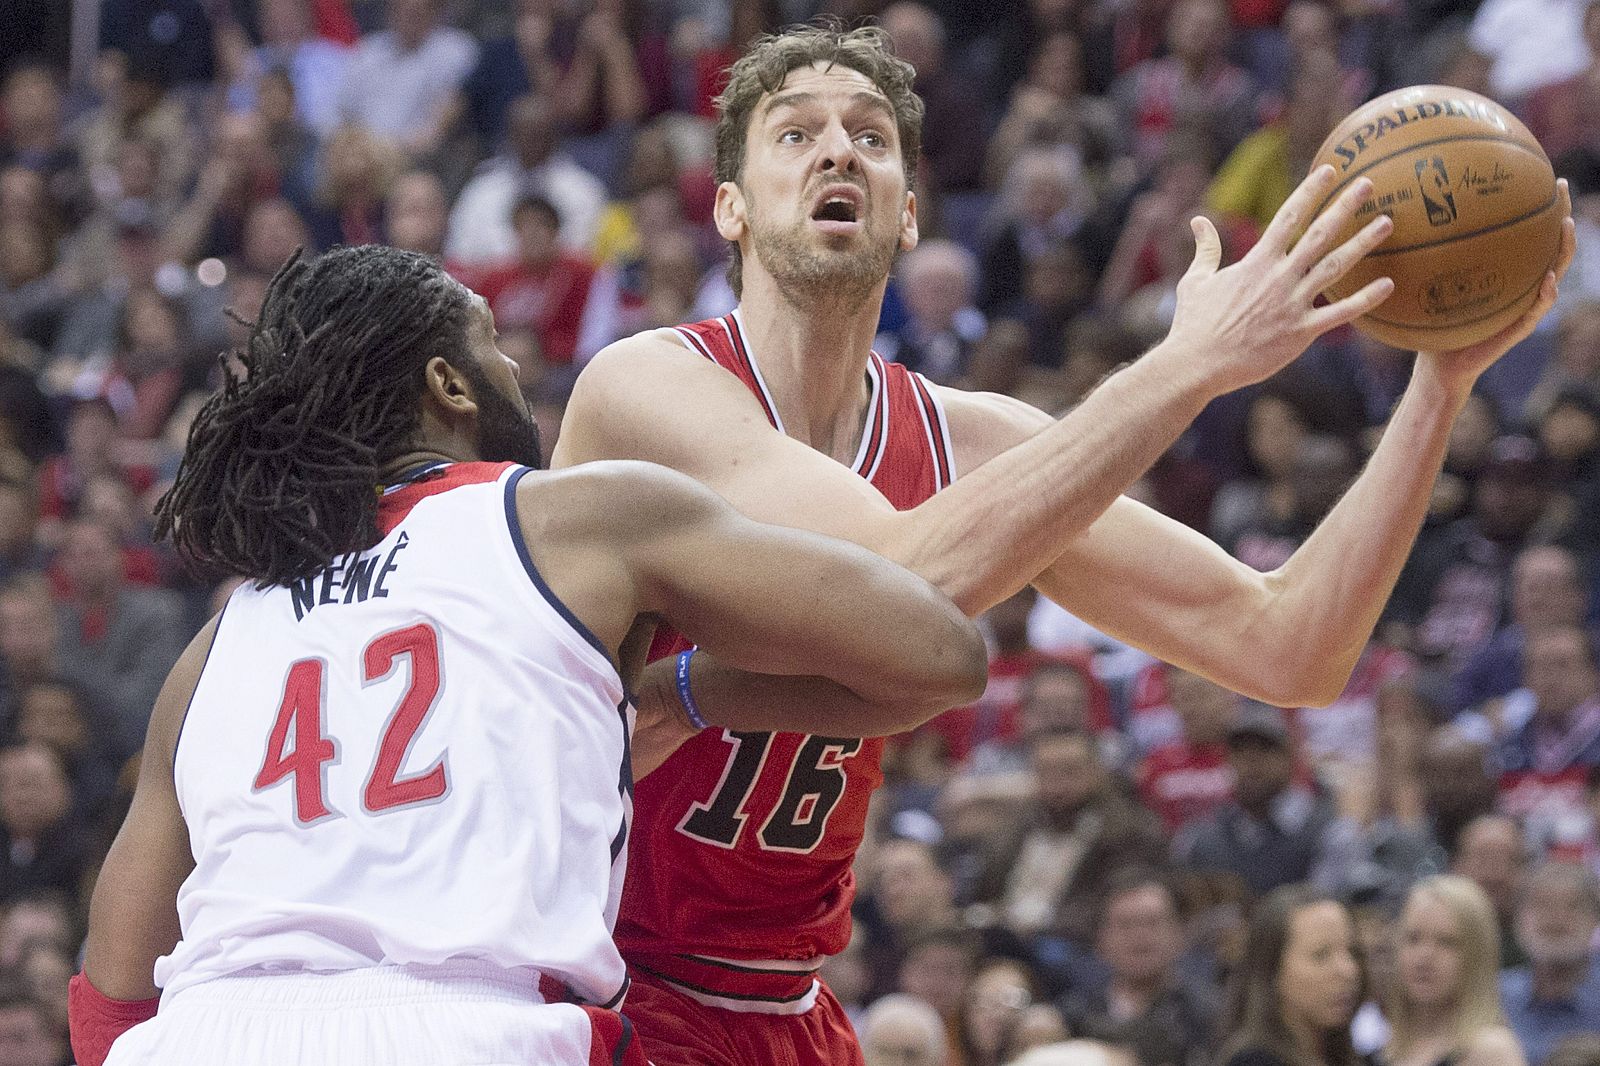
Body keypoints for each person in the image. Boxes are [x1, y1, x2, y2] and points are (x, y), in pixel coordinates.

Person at [551, 23, 1575, 1066]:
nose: (836, 151)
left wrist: (1437, 385)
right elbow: (894, 582)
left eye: (870, 136)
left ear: (909, 213)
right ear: (728, 204)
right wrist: (1188, 365)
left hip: (783, 1008)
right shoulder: (648, 387)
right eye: (794, 133)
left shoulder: (968, 440)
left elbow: (1289, 648)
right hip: (593, 977)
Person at [67, 245, 987, 1066]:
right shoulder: (578, 517)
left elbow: (110, 997)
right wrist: (684, 688)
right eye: (491, 342)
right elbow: (940, 654)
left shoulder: (216, 643)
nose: (513, 362)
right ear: (450, 386)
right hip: (470, 1028)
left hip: (204, 1034)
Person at [1219, 884, 1366, 1066]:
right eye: (1321, 955)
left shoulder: (1356, 1056)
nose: (1349, 970)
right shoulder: (1253, 1062)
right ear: (1272, 969)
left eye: (1352, 952)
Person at [1384, 876, 1524, 1066]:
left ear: (1478, 955)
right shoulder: (1385, 1047)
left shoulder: (1491, 1050)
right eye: (1413, 938)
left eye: (1446, 942)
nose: (1425, 956)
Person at [1498, 862, 1600, 1064]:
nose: (1556, 918)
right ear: (1518, 918)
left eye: (1572, 906)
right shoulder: (1494, 995)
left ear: (1595, 918)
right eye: (1542, 904)